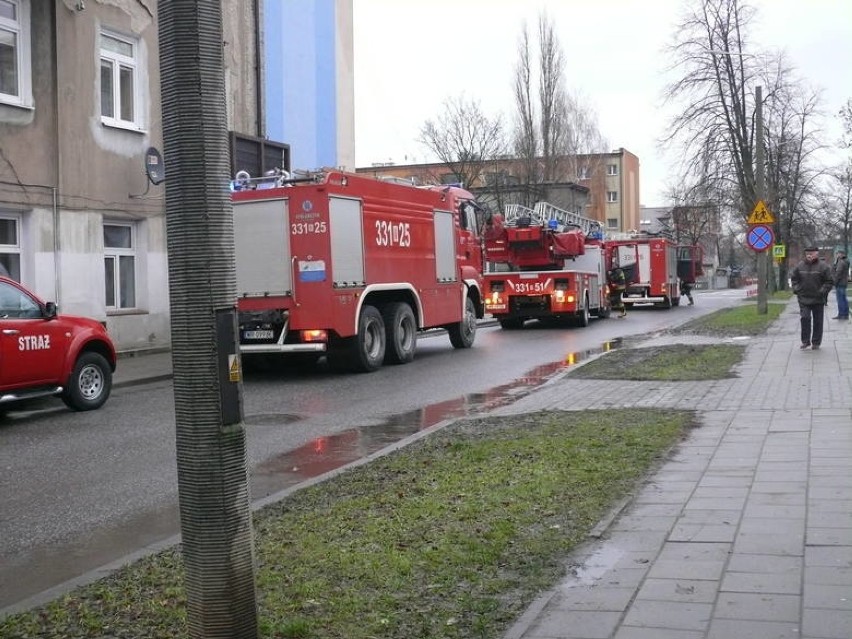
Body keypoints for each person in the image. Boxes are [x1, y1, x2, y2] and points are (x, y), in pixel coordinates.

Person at [790, 246, 834, 350]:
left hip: (818, 298)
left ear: (817, 254)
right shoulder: (800, 266)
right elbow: (794, 279)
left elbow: (829, 281)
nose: (809, 255)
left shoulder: (823, 266)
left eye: (812, 253)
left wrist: (822, 291)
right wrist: (797, 289)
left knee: (818, 321)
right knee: (805, 318)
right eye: (807, 253)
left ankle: (816, 342)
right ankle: (805, 341)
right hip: (804, 298)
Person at [831, 249, 849, 320]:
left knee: (840, 299)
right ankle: (845, 314)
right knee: (844, 299)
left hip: (840, 283)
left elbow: (838, 273)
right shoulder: (846, 261)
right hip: (844, 283)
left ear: (841, 254)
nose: (836, 255)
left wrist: (834, 282)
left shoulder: (841, 262)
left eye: (837, 254)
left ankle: (841, 314)